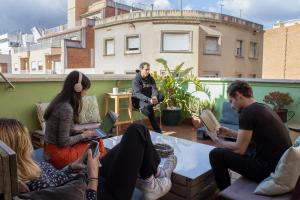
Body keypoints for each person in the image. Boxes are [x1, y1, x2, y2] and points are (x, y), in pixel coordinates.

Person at [0, 118, 177, 200]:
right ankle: (152, 179)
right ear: (20, 146)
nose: (30, 143)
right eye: (25, 139)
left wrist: (73, 166)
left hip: (86, 178)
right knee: (137, 131)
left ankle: (152, 174)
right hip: (104, 193)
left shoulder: (20, 169)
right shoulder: (21, 186)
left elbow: (54, 182)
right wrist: (92, 176)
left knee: (132, 139)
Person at [208, 80, 292, 191]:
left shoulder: (247, 112)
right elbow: (252, 136)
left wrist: (218, 141)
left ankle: (225, 192)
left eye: (231, 100)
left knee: (216, 154)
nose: (231, 106)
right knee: (247, 147)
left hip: (268, 172)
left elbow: (239, 149)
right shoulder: (262, 107)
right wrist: (229, 132)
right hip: (279, 166)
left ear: (238, 95)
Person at [43, 71, 106, 169]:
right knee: (97, 143)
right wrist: (83, 135)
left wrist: (80, 132)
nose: (85, 93)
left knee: (95, 138)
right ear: (78, 88)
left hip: (49, 151)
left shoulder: (59, 100)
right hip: (58, 155)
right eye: (85, 89)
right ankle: (98, 169)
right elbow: (63, 142)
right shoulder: (66, 108)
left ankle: (98, 165)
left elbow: (65, 130)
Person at [132, 62, 164, 133]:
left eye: (148, 69)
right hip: (138, 100)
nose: (148, 71)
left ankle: (146, 107)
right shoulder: (136, 79)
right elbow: (137, 94)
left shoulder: (150, 78)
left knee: (161, 96)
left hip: (149, 99)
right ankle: (158, 131)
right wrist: (149, 100)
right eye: (146, 69)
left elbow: (154, 89)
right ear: (141, 69)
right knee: (149, 111)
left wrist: (154, 97)